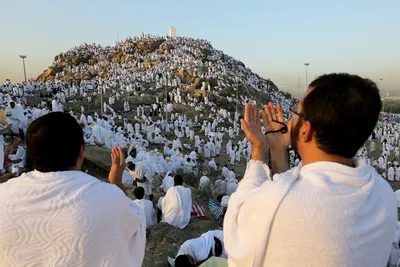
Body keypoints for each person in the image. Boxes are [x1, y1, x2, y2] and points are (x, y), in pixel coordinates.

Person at [224, 74, 397, 267]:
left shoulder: (276, 205)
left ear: (306, 130)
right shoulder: (383, 194)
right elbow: (293, 192)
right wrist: (278, 149)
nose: (290, 121)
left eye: (296, 114)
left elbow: (236, 229)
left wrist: (258, 150)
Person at [0, 112, 146, 266]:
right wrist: (115, 181)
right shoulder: (109, 198)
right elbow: (134, 225)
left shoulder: (3, 195)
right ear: (81, 152)